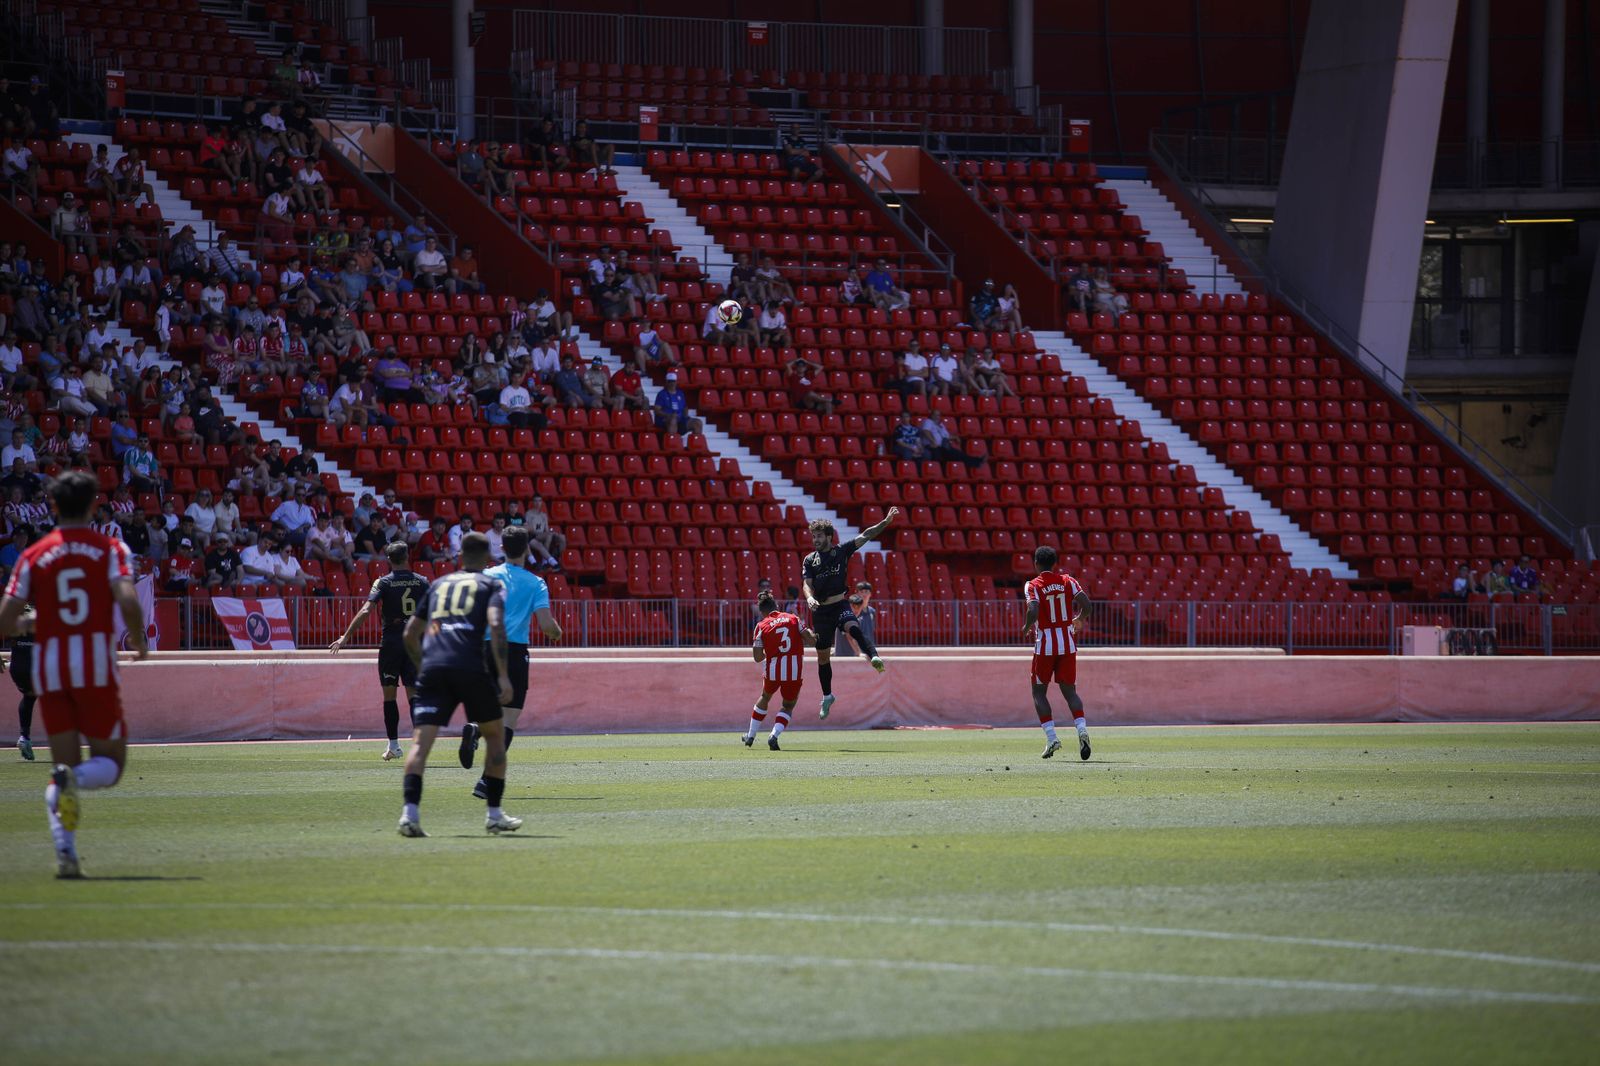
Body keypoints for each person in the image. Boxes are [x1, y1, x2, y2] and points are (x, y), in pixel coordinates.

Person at [0, 470, 149, 878]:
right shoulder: (110, 548)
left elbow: (6, 618)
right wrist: (137, 640)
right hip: (94, 668)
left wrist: (34, 625)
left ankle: (66, 852)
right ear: (93, 504)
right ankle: (71, 781)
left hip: (50, 671)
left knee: (61, 767)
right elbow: (127, 599)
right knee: (110, 765)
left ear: (52, 506)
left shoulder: (34, 555)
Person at [397, 532, 520, 837]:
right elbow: (495, 624)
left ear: (460, 556)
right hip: (470, 666)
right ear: (488, 557)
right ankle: (494, 814)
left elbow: (410, 633)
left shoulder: (438, 584)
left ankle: (409, 815)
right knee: (494, 736)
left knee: (420, 745)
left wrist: (423, 666)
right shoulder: (491, 584)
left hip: (434, 667)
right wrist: (503, 674)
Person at [460, 527, 563, 795]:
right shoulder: (535, 583)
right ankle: (485, 780)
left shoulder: (486, 576)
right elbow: (546, 624)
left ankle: (476, 729)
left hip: (482, 647)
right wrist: (556, 632)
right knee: (508, 719)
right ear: (527, 549)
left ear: (502, 548)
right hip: (514, 650)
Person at [330, 541, 432, 761]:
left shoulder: (383, 582)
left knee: (389, 695)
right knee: (414, 694)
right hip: (414, 643)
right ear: (407, 557)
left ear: (388, 560)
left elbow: (367, 609)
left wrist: (346, 636)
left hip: (392, 643)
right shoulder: (422, 581)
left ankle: (394, 746)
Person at [802, 510, 898, 720]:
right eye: (814, 536)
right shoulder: (810, 560)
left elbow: (866, 535)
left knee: (852, 627)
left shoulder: (841, 551)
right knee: (823, 657)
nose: (816, 540)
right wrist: (809, 598)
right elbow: (806, 585)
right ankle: (827, 696)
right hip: (821, 611)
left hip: (840, 604)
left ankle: (873, 656)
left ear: (829, 536)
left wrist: (885, 522)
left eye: (819, 536)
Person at [1021, 544, 1091, 761]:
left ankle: (1052, 738)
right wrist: (1079, 619)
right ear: (1054, 563)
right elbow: (1086, 604)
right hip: (1068, 644)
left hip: (1045, 646)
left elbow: (1033, 609)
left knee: (1038, 692)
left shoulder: (1033, 585)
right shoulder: (1068, 581)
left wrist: (1026, 626)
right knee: (1070, 692)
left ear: (1036, 563)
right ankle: (1081, 730)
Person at [743, 590, 815, 751]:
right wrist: (813, 635)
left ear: (761, 611)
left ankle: (750, 735)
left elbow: (757, 657)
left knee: (765, 697)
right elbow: (810, 640)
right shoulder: (793, 619)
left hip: (773, 671)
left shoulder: (761, 626)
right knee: (788, 705)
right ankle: (774, 735)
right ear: (776, 605)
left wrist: (771, 649)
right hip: (794, 671)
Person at [6, 607, 36, 760]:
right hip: (35, 667)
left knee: (29, 696)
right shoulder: (39, 616)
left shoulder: (14, 618)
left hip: (17, 668)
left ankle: (24, 737)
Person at [833, 582, 877, 658]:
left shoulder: (872, 612)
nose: (864, 594)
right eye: (861, 592)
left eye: (866, 592)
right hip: (848, 656)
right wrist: (859, 652)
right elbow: (850, 636)